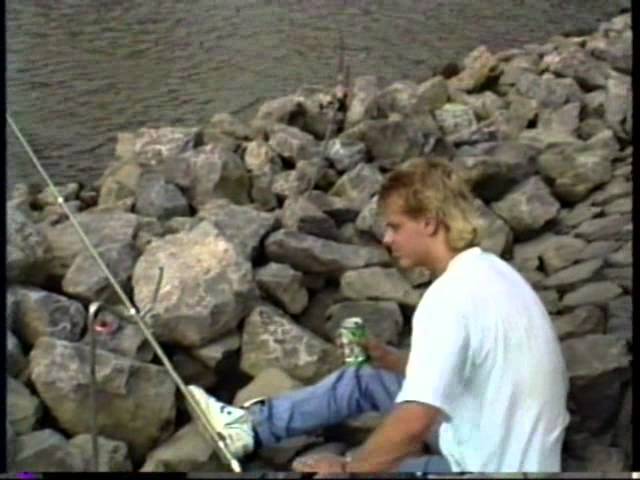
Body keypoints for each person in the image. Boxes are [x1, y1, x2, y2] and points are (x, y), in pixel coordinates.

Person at [188, 157, 570, 474]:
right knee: (371, 375)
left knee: (360, 469)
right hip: (514, 449)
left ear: (429, 223)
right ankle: (247, 429)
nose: (386, 240)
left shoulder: (449, 298)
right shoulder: (493, 272)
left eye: (395, 227)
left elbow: (416, 419)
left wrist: (349, 468)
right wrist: (393, 361)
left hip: (489, 468)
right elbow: (471, 374)